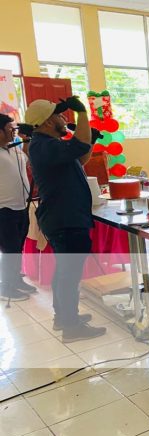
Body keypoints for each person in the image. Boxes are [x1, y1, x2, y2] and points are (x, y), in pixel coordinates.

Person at [25, 97, 106, 342]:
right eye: (60, 116)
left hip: (65, 217)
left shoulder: (50, 145)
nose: (65, 119)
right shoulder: (43, 146)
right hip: (65, 219)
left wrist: (89, 140)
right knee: (69, 275)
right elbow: (78, 147)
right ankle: (71, 327)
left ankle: (64, 317)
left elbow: (80, 159)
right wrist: (82, 113)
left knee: (64, 272)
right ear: (50, 120)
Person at [0, 113, 34, 301]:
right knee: (9, 249)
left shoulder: (14, 148)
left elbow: (28, 158)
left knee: (18, 247)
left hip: (21, 206)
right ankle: (6, 288)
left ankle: (16, 280)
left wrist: (27, 138)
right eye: (9, 129)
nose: (13, 132)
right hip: (3, 208)